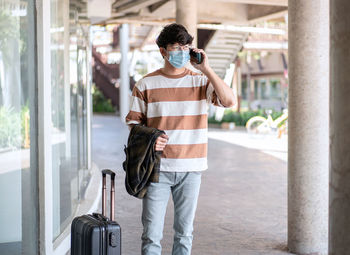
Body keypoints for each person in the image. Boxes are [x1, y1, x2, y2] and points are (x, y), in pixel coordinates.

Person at [125, 23, 236, 255]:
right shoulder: (146, 84)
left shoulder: (200, 82)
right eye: (176, 47)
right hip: (156, 169)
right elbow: (133, 124)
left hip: (191, 169)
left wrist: (207, 70)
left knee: (184, 234)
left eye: (186, 47)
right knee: (151, 236)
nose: (182, 52)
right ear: (163, 51)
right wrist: (150, 140)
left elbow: (228, 101)